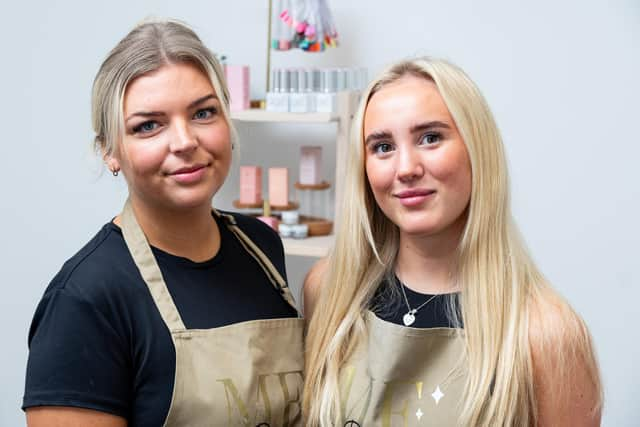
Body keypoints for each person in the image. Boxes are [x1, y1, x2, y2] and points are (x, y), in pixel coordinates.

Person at [23, 20, 304, 427]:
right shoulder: (84, 301)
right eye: (148, 126)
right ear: (110, 151)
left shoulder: (260, 245)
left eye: (203, 113)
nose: (185, 141)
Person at [302, 57, 602, 426]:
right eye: (382, 147)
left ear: (478, 149)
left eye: (430, 138)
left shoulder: (545, 333)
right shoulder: (329, 291)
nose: (406, 168)